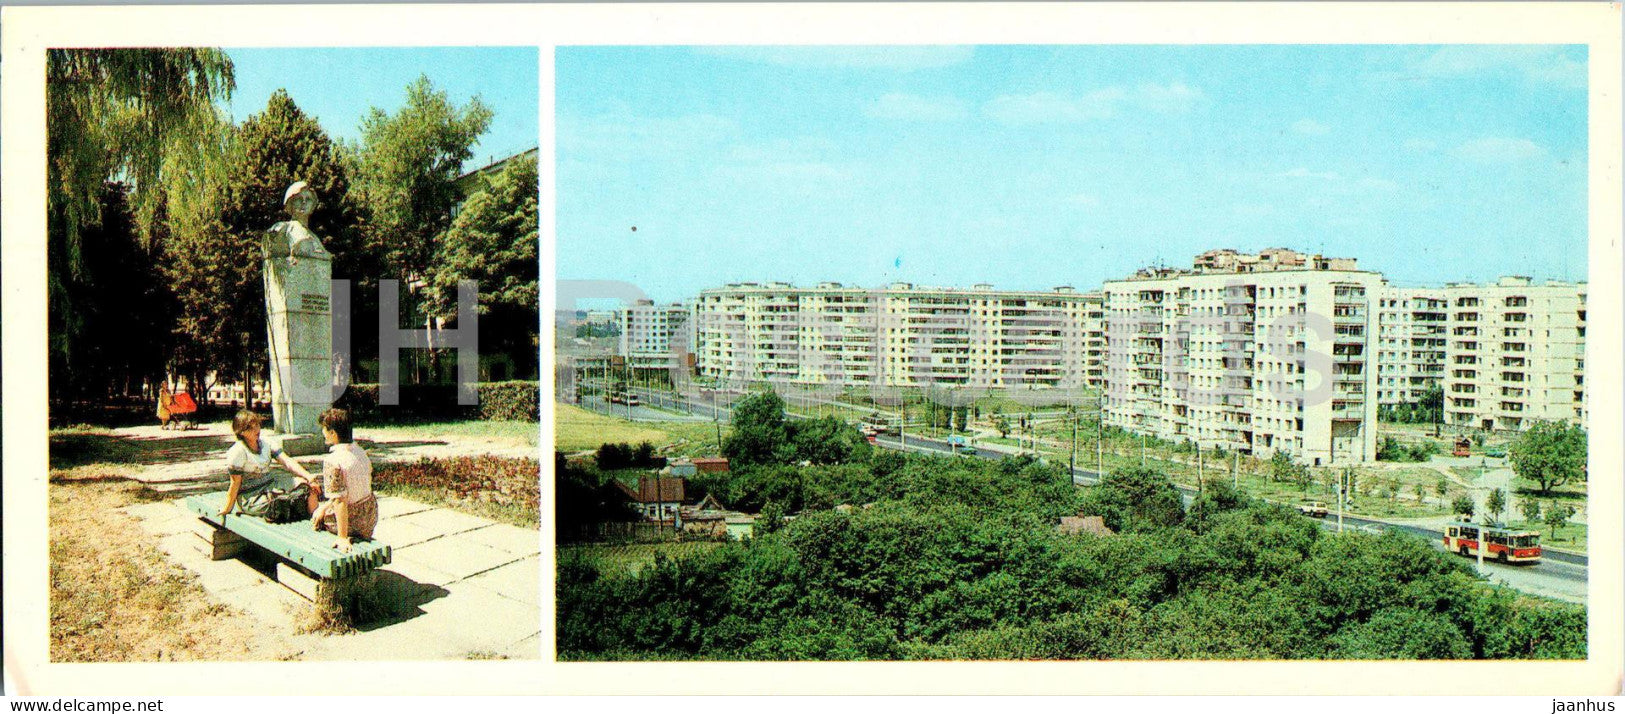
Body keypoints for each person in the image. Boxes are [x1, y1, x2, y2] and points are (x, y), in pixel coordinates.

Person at [220, 410, 318, 518]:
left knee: (307, 486)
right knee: (276, 505)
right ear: (241, 432)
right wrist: (227, 508)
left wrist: (308, 476)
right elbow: (235, 483)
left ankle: (315, 520)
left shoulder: (266, 443)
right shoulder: (238, 451)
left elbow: (287, 461)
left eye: (257, 425)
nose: (256, 430)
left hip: (271, 485)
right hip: (252, 496)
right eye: (250, 428)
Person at [309, 408, 376, 552]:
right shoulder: (360, 452)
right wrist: (325, 507)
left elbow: (340, 502)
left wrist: (342, 537)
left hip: (353, 523)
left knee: (312, 512)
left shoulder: (333, 461)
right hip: (370, 517)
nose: (323, 433)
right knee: (323, 507)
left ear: (332, 433)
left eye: (324, 429)